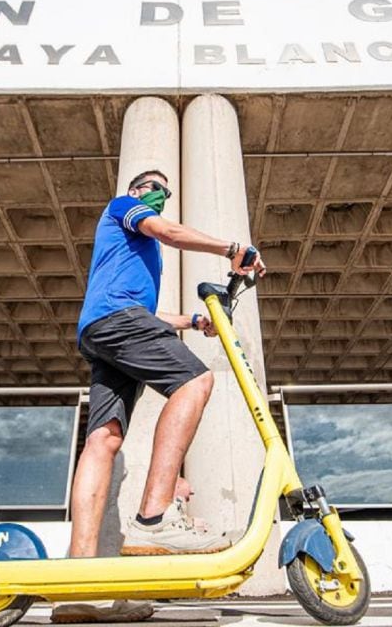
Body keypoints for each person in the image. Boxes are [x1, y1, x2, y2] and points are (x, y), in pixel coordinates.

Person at [50, 170, 264, 624]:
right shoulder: (124, 208)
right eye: (153, 185)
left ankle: (79, 586)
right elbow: (168, 232)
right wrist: (233, 249)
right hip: (118, 320)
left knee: (103, 440)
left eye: (166, 189)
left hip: (104, 328)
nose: (161, 193)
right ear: (135, 191)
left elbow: (146, 315)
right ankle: (155, 519)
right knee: (195, 381)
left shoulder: (132, 260)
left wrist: (191, 321)